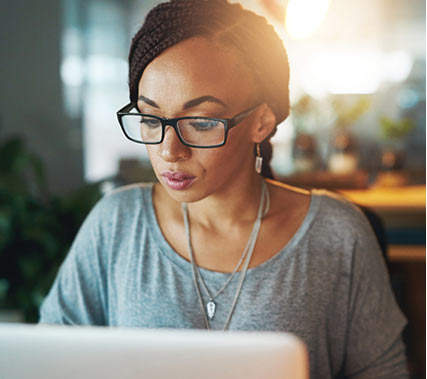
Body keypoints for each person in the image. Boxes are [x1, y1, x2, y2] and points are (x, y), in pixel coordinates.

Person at [39, 0, 408, 377]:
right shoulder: (115, 225)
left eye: (200, 122)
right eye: (150, 118)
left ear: (261, 122)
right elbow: (48, 363)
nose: (169, 150)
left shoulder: (338, 234)